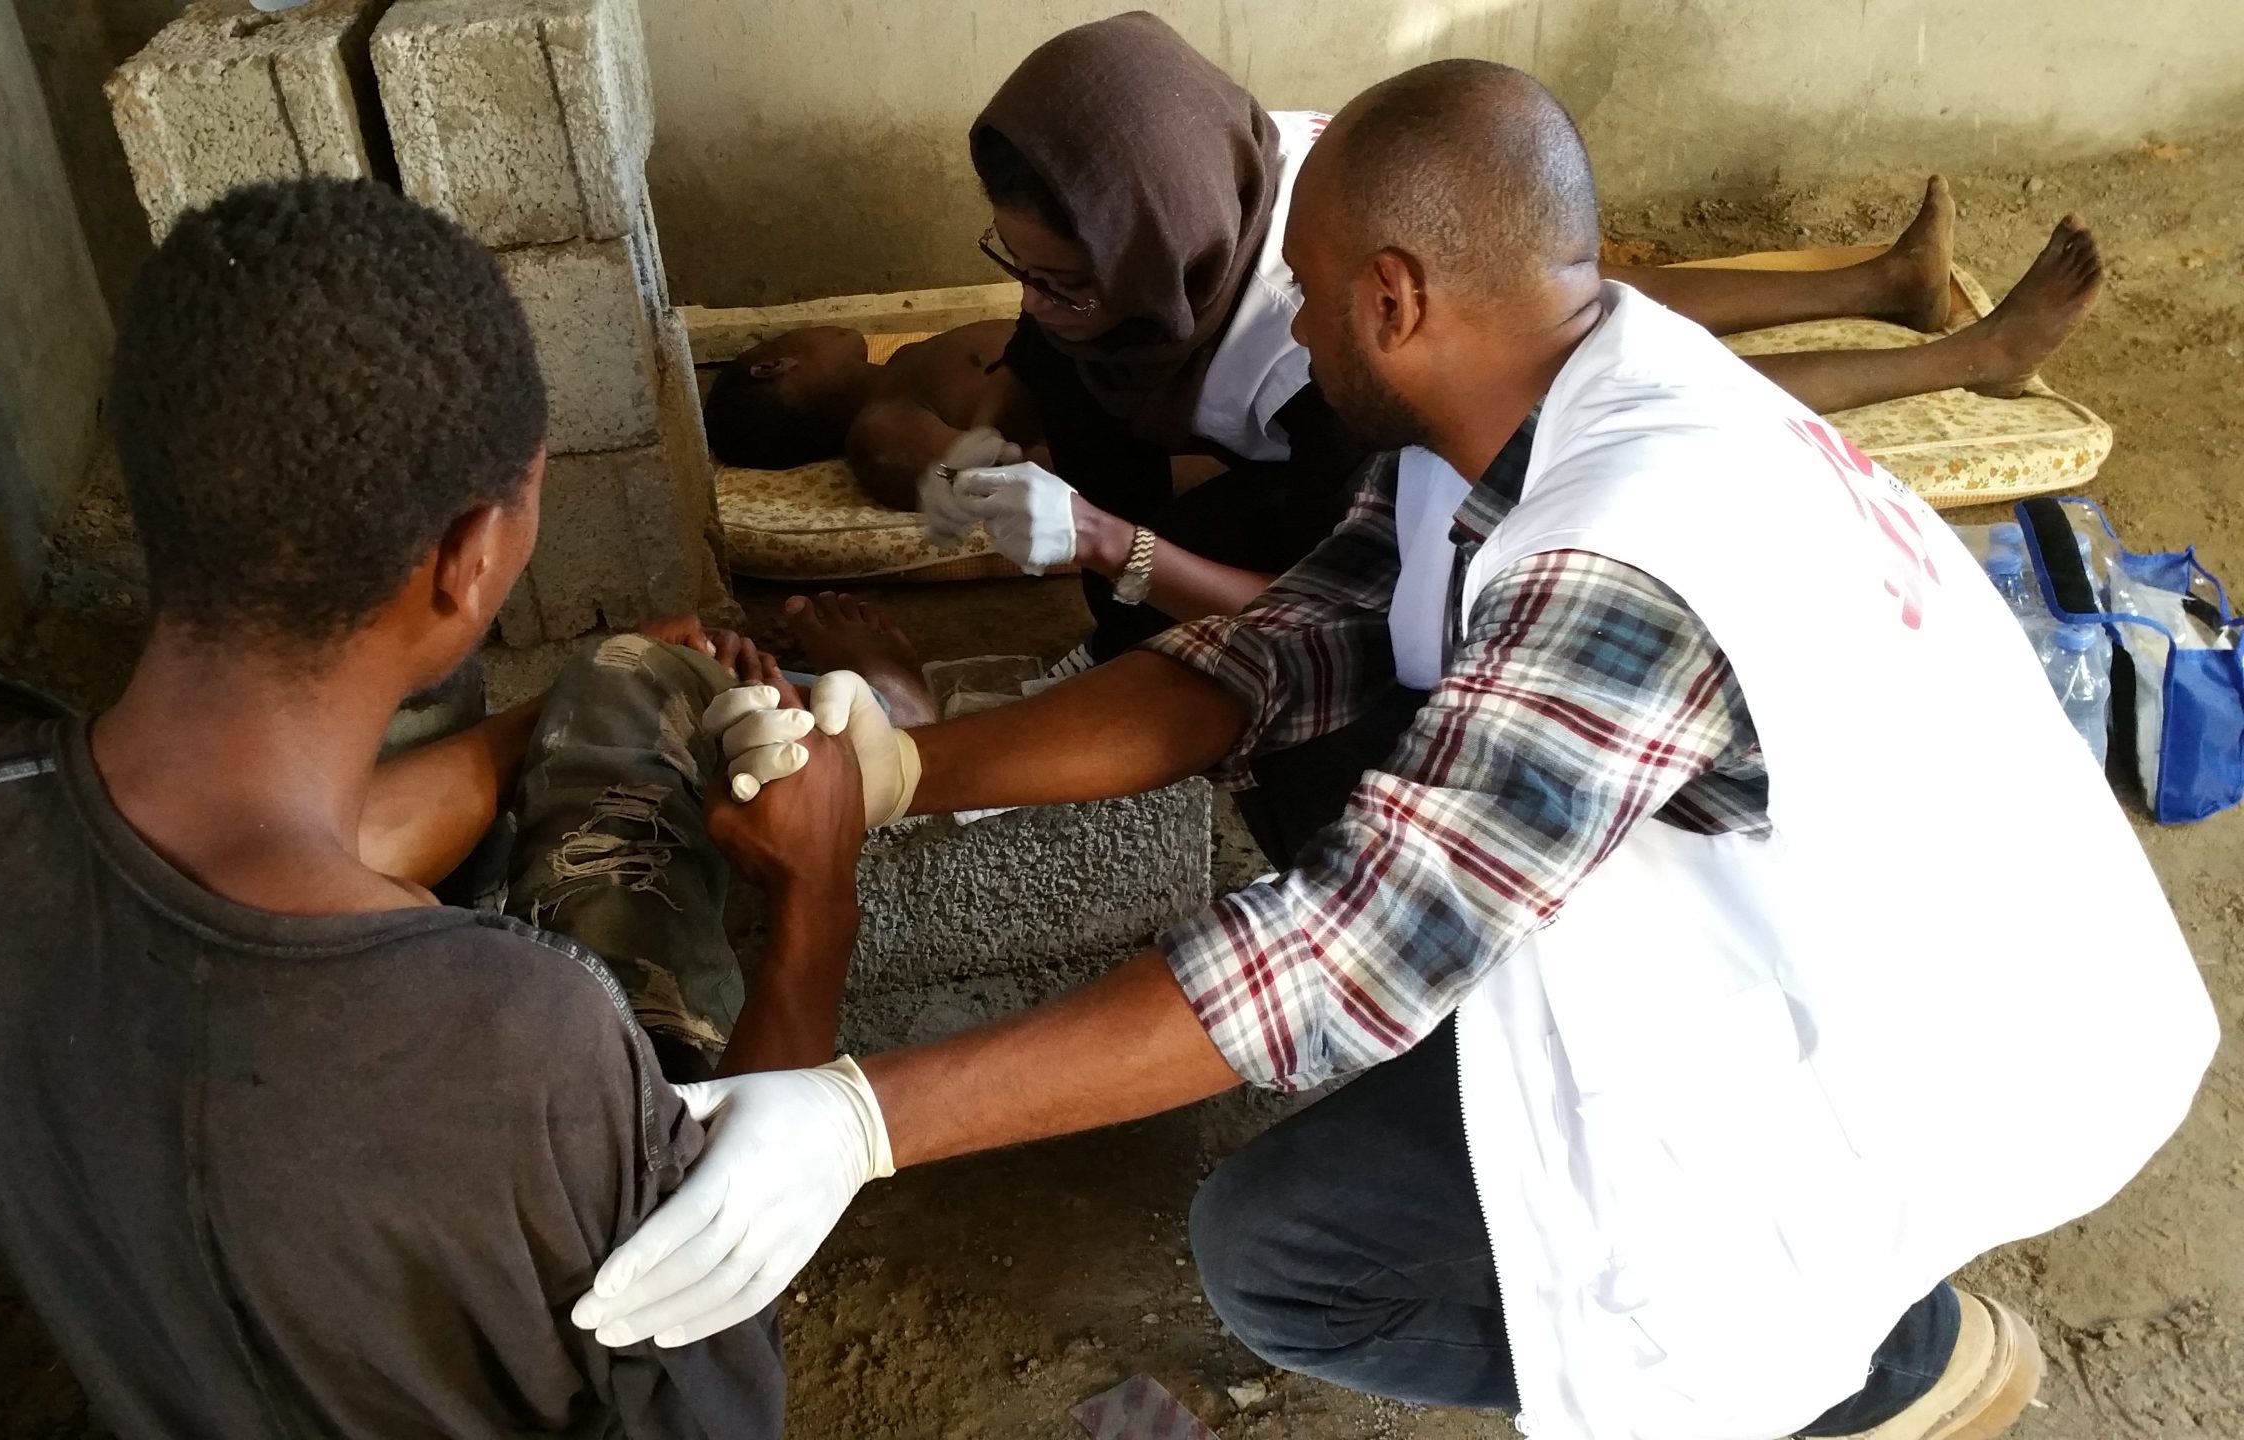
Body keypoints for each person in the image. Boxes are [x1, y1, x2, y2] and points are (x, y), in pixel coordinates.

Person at [568, 62, 2218, 1440]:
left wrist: (859, 1120)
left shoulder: (1622, 553)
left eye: (1304, 281)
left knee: (1290, 1260)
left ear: (1395, 296)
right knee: (1389, 887)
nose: (1285, 318)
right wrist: (921, 767)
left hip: (1948, 1037)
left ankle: (1881, 1367)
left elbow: (1341, 958)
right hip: (1846, 936)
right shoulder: (1532, 400)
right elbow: (1277, 653)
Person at [0, 178, 868, 1439]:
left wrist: (566, 706)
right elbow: (713, 1379)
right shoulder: (523, 1040)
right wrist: (817, 899)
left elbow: (232, 861)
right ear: (472, 552)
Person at [899, 12, 2104, 672]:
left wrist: (1118, 548)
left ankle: (1963, 356)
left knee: (1604, 351)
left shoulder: (1336, 368)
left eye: (1066, 281)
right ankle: (1891, 284)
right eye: (1028, 275)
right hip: (1482, 313)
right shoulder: (1175, 197)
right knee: (1606, 314)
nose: (1037, 302)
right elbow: (1049, 353)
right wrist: (982, 441)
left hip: (1471, 374)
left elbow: (1341, 620)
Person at [705, 184, 2099, 512]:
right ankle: (1972, 359)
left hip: (1244, 371)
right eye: (782, 346)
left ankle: (1887, 280)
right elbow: (1014, 485)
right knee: (1611, 374)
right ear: (779, 377)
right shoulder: (883, 422)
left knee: (1594, 296)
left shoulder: (903, 365)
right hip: (1263, 426)